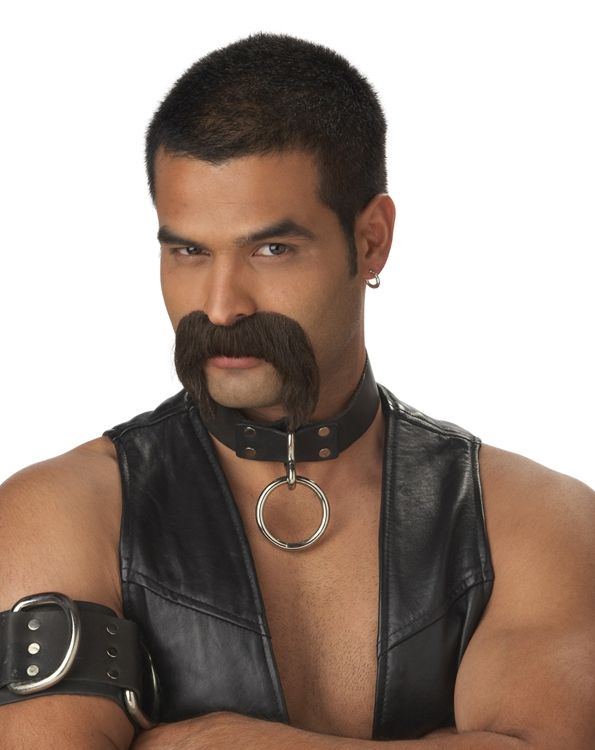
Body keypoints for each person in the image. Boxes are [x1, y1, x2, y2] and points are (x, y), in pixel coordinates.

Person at [1, 33, 594, 750]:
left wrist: (212, 744)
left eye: (271, 249)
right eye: (188, 250)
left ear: (370, 241)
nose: (221, 307)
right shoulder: (63, 513)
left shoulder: (531, 521)